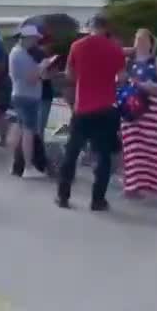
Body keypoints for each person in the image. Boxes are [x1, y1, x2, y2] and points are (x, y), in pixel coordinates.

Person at [56, 14, 125, 211]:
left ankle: (63, 196)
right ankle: (97, 200)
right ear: (106, 28)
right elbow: (121, 78)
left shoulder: (77, 46)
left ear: (90, 26)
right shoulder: (115, 48)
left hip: (83, 107)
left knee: (72, 152)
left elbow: (70, 75)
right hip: (106, 108)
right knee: (103, 156)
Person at [119, 28, 157, 198]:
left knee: (154, 148)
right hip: (130, 109)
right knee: (133, 149)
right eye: (137, 39)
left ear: (151, 43)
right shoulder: (127, 61)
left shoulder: (156, 61)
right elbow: (118, 79)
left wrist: (150, 87)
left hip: (151, 111)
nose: (140, 42)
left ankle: (155, 184)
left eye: (144, 40)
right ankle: (132, 185)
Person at [8, 25, 53, 178]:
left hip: (21, 94)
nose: (36, 42)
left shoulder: (18, 53)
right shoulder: (22, 55)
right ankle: (28, 166)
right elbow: (32, 79)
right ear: (27, 38)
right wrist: (43, 66)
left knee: (21, 129)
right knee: (28, 131)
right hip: (27, 96)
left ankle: (17, 164)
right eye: (34, 39)